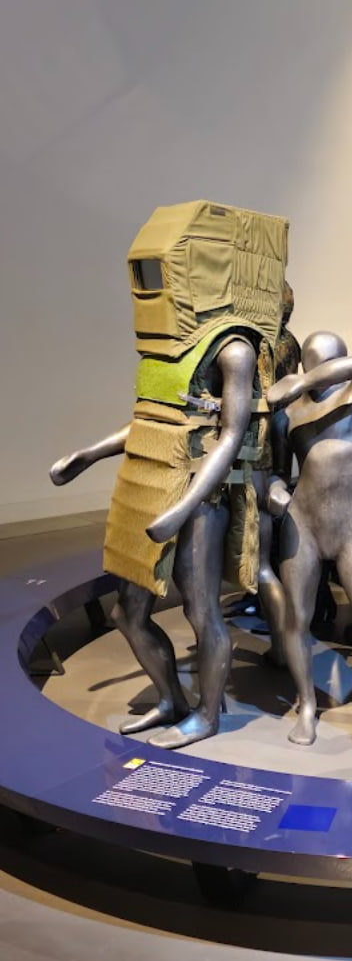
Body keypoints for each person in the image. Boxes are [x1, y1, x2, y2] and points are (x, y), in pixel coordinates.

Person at [50, 201, 288, 749]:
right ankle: (171, 698)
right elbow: (152, 419)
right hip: (148, 481)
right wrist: (88, 454)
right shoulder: (165, 347)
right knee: (128, 612)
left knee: (203, 612)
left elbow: (230, 436)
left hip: (200, 498)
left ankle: (206, 714)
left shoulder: (233, 347)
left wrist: (184, 508)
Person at [266, 332, 352, 761]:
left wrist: (300, 382)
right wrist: (274, 491)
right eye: (312, 364)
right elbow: (276, 470)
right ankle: (307, 704)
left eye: (326, 364)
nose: (320, 372)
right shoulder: (289, 413)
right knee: (296, 620)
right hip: (303, 524)